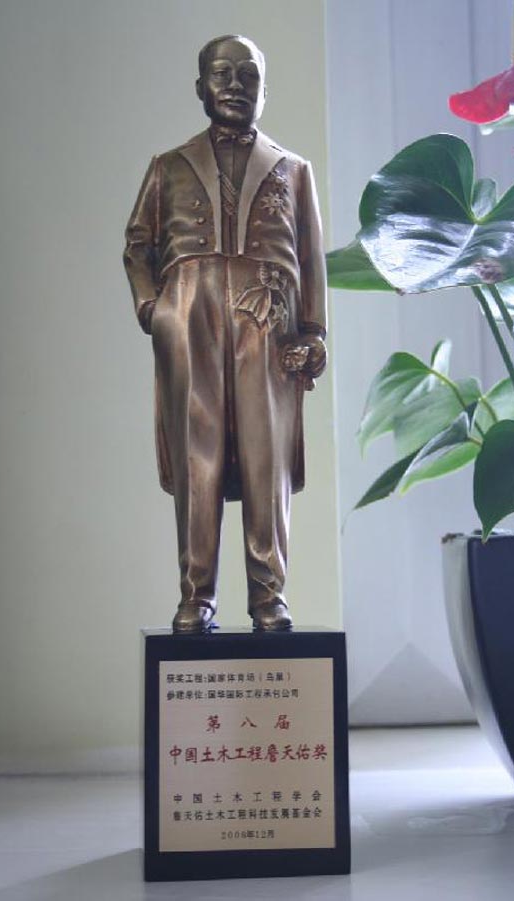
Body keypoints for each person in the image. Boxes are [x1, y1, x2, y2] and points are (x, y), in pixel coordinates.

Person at [124, 35, 327, 633]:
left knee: (266, 456)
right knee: (198, 453)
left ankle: (269, 595)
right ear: (201, 87)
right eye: (222, 74)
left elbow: (311, 258)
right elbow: (138, 245)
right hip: (189, 313)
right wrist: (154, 309)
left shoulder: (294, 169)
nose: (236, 85)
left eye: (249, 75)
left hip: (269, 317)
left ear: (266, 90)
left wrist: (314, 329)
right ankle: (196, 595)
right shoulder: (167, 166)